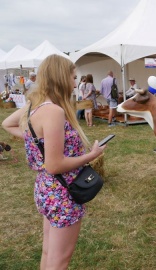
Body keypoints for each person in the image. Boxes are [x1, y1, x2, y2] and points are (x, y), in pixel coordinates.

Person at [1, 54, 106, 269]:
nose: (75, 82)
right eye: (73, 77)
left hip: (46, 189)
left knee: (49, 254)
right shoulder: (54, 111)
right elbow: (54, 165)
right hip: (62, 193)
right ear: (61, 77)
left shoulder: (35, 107)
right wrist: (91, 155)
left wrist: (43, 142)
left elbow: (7, 123)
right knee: (59, 261)